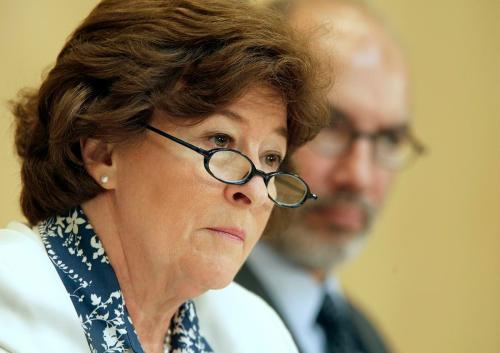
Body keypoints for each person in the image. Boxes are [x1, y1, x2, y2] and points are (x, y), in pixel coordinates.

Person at [0, 1, 330, 352]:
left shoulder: (254, 333)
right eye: (220, 141)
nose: (255, 191)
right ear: (103, 152)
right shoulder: (11, 306)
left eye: (270, 158)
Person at [235, 1, 425, 353]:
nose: (359, 176)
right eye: (331, 126)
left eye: (388, 139)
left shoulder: (365, 337)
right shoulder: (188, 316)